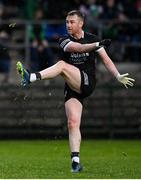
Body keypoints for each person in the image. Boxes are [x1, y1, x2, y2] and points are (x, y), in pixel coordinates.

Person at [16, 10, 135, 173]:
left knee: (62, 65)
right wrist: (96, 45)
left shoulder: (93, 38)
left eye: (72, 22)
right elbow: (78, 48)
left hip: (87, 82)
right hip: (72, 85)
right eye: (66, 22)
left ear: (81, 23)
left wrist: (117, 75)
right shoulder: (64, 40)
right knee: (72, 122)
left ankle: (31, 78)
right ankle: (75, 162)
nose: (68, 25)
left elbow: (106, 60)